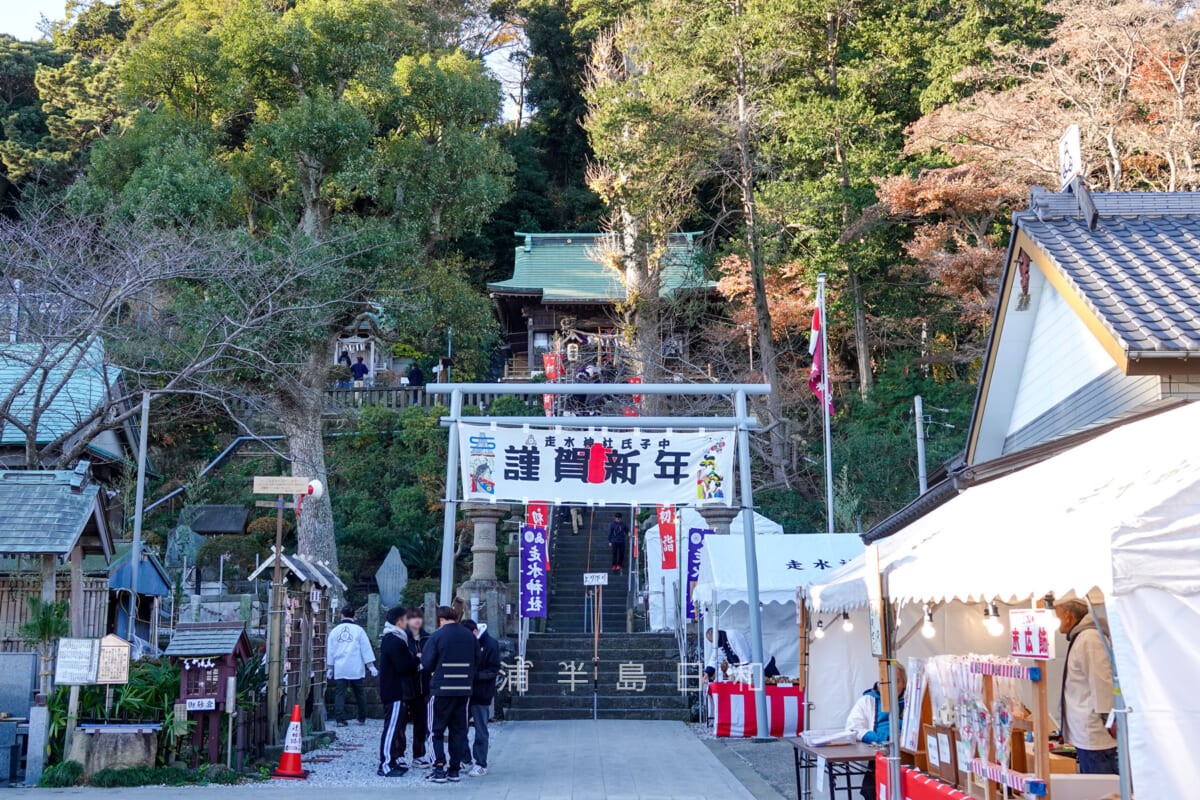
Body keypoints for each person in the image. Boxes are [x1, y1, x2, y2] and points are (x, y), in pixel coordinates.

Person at [1054, 598, 1118, 774]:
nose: (1055, 620)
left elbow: (1102, 683)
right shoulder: (1083, 637)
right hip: (1087, 734)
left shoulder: (1089, 638)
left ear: (1068, 615)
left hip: (1095, 735)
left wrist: (1108, 723)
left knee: (1102, 789)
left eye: (1056, 614)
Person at [421, 606, 477, 784]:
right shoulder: (469, 636)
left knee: (435, 730)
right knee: (459, 730)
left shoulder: (437, 636)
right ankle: (454, 769)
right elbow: (478, 660)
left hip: (442, 687)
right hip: (463, 688)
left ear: (440, 619)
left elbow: (427, 662)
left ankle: (438, 767)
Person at [846, 666, 907, 800]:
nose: (891, 686)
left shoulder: (912, 701)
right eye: (887, 681)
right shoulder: (868, 700)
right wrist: (878, 739)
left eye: (896, 681)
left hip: (907, 756)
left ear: (904, 683)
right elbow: (853, 727)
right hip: (879, 754)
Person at [378, 606, 418, 777]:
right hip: (395, 690)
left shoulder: (392, 638)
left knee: (396, 727)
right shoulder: (394, 640)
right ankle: (385, 763)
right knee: (391, 727)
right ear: (399, 621)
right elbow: (402, 666)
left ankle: (392, 760)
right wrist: (416, 660)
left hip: (395, 690)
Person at [460, 619, 501, 777]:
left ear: (474, 632)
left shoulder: (490, 643)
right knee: (459, 727)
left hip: (481, 692)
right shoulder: (466, 641)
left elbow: (494, 669)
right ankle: (465, 759)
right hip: (463, 691)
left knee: (480, 729)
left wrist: (474, 676)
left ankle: (480, 762)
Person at [327, 606, 377, 727]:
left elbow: (330, 650)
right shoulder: (359, 630)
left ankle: (339, 719)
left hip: (340, 666)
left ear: (341, 616)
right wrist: (370, 665)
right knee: (359, 692)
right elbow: (365, 649)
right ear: (354, 617)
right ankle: (361, 717)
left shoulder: (334, 631)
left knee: (340, 693)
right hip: (355, 666)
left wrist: (330, 667)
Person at [405, 607, 433, 768]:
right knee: (400, 723)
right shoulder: (403, 638)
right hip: (407, 684)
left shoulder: (428, 638)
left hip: (425, 685)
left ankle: (419, 754)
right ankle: (398, 754)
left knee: (421, 722)